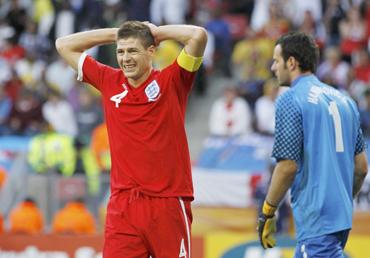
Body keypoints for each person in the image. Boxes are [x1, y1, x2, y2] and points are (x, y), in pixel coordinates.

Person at [55, 21, 207, 257]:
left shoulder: (173, 80)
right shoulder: (109, 80)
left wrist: (154, 33)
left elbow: (197, 36)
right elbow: (64, 45)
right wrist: (117, 34)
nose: (125, 58)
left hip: (166, 203)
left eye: (133, 50)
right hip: (123, 205)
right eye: (121, 51)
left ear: (151, 51)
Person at [257, 31, 368, 257]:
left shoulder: (290, 99)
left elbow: (287, 166)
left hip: (316, 218)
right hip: (340, 219)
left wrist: (267, 211)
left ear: (291, 62)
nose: (272, 67)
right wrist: (342, 200)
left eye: (276, 60)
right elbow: (361, 167)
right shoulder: (345, 100)